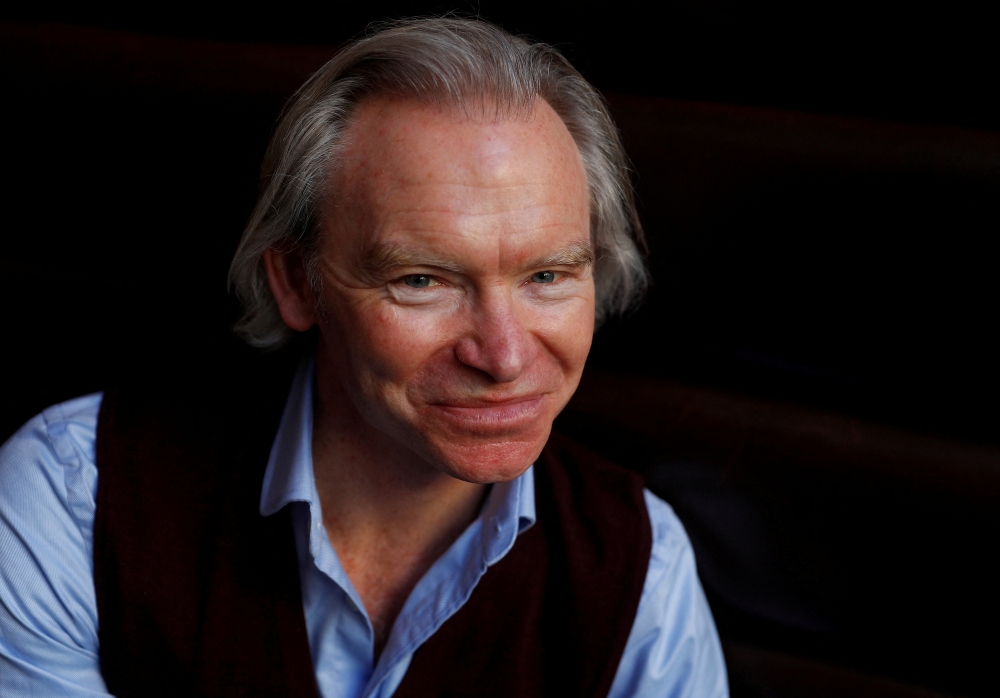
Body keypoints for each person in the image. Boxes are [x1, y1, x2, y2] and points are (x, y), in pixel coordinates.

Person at [0, 17, 727, 698]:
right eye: (422, 281)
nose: (503, 356)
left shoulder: (641, 569)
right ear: (295, 282)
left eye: (548, 276)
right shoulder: (73, 495)